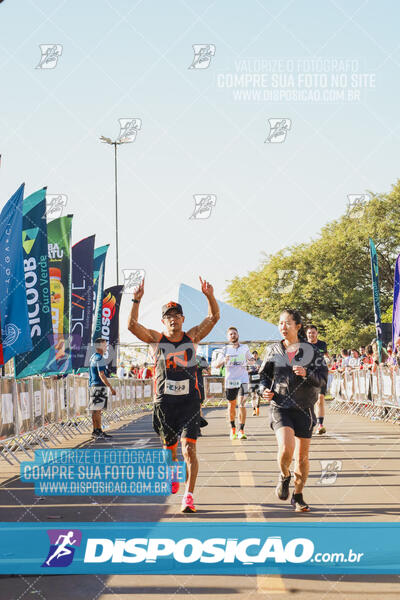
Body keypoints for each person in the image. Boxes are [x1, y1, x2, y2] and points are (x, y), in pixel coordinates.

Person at [127, 276, 219, 513]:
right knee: (170, 453)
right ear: (163, 321)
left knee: (189, 449)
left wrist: (209, 295)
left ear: (182, 319)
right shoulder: (156, 339)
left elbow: (213, 318)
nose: (172, 320)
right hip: (165, 404)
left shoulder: (192, 337)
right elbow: (132, 326)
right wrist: (136, 301)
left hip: (189, 403)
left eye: (176, 316)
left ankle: (188, 495)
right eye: (168, 317)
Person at [260, 309, 328, 512]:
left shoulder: (312, 351)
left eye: (287, 323)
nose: (283, 327)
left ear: (298, 326)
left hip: (305, 408)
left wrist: (307, 373)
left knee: (302, 457)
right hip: (280, 406)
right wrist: (264, 389)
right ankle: (284, 476)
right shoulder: (273, 350)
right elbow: (263, 376)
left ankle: (298, 496)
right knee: (286, 449)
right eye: (280, 323)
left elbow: (323, 379)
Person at [212, 327, 254, 440]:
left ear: (238, 335)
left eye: (235, 333)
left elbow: (252, 360)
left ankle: (241, 430)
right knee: (231, 405)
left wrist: (249, 361)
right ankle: (233, 428)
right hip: (230, 381)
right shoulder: (224, 349)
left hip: (243, 380)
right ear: (228, 337)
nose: (233, 335)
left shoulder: (244, 348)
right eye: (231, 334)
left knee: (241, 404)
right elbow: (216, 365)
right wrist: (223, 361)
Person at [88, 338, 116, 438]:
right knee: (98, 410)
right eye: (105, 345)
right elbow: (102, 374)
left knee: (95, 410)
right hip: (98, 385)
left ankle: (96, 430)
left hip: (93, 385)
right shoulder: (100, 358)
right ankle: (98, 430)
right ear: (100, 346)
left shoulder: (93, 357)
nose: (106, 347)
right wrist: (111, 387)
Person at [306, 325, 328, 435]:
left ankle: (320, 425)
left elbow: (320, 355)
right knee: (309, 401)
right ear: (306, 334)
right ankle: (310, 422)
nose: (311, 334)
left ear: (317, 333)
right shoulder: (303, 344)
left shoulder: (322, 344)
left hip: (320, 374)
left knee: (320, 399)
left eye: (313, 332)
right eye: (309, 333)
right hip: (307, 375)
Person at [248, 350, 262, 416]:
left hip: (258, 381)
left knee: (258, 395)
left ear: (257, 356)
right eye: (253, 356)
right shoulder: (249, 362)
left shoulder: (260, 362)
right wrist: (250, 370)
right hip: (251, 381)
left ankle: (258, 408)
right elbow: (246, 370)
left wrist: (259, 369)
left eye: (256, 355)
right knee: (253, 396)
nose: (255, 356)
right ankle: (254, 409)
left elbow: (264, 370)